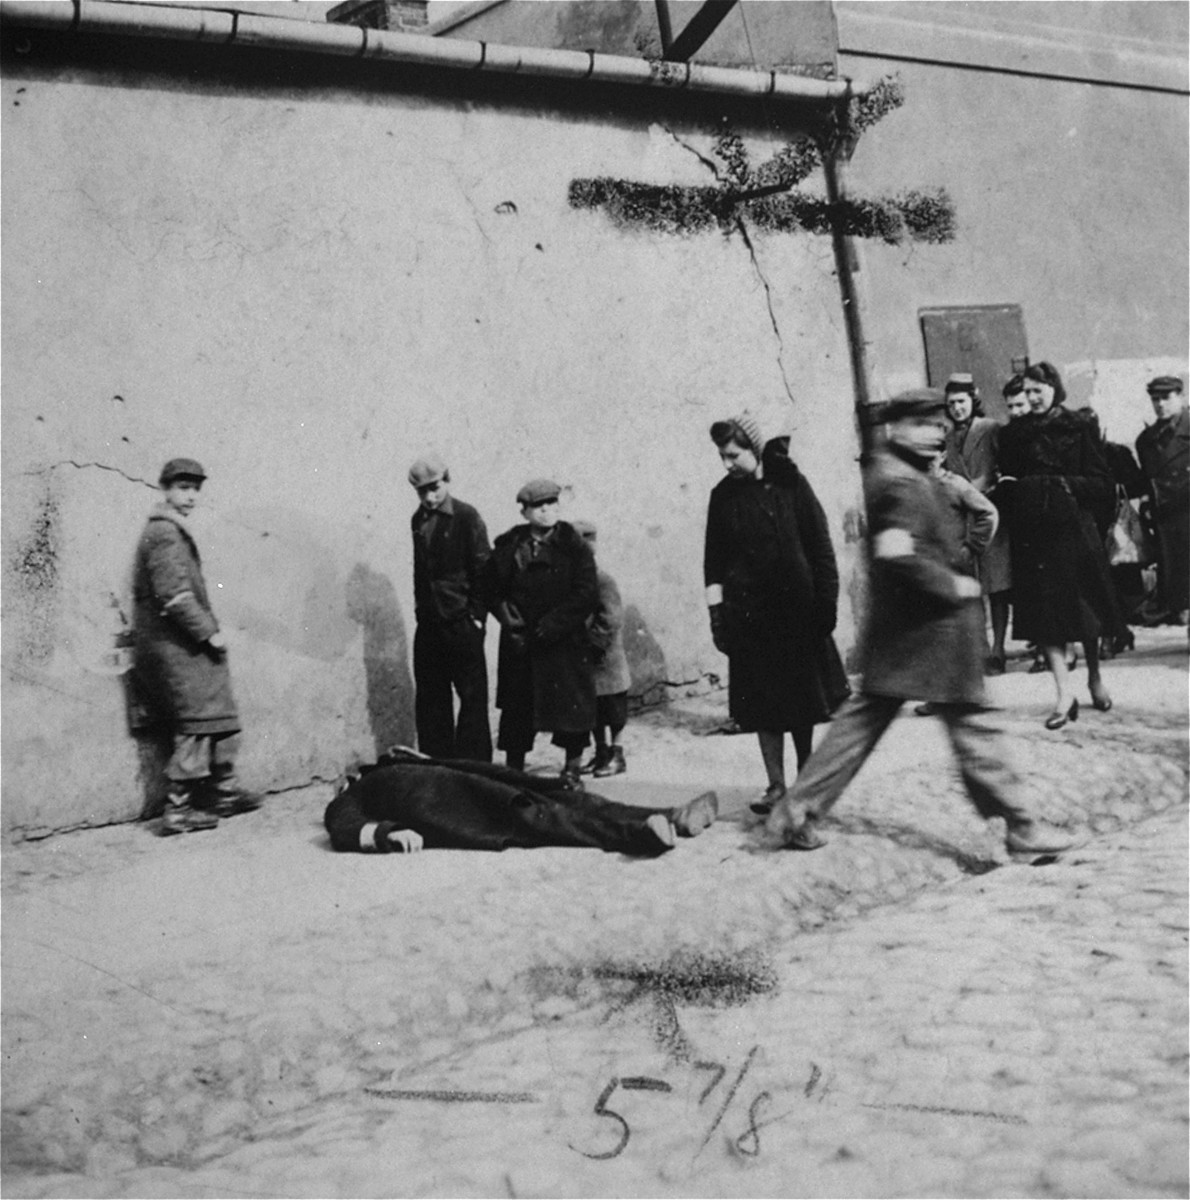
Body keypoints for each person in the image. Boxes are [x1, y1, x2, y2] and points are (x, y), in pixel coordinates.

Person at [765, 389, 1073, 859]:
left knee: (861, 726)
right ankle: (1022, 827)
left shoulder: (903, 472)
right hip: (929, 629)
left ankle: (796, 812)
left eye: (939, 426)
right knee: (972, 729)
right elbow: (898, 556)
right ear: (897, 427)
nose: (935, 434)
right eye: (925, 425)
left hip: (907, 634)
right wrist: (955, 587)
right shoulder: (898, 481)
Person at [704, 413, 850, 815]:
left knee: (801, 702)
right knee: (763, 706)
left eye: (733, 455)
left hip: (796, 613)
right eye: (722, 456)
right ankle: (775, 785)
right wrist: (717, 614)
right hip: (749, 617)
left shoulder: (791, 485)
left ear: (753, 449)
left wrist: (827, 604)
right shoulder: (722, 497)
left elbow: (821, 548)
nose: (727, 464)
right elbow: (712, 563)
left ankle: (805, 779)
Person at [129, 458, 260, 835]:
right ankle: (178, 810)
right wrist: (209, 633)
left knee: (217, 715)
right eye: (182, 488)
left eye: (195, 488)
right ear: (165, 490)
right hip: (175, 646)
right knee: (196, 722)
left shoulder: (171, 530)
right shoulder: (164, 533)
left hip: (182, 644)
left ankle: (224, 792)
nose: (190, 496)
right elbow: (173, 595)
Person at [998, 362, 1123, 727]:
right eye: (1029, 391)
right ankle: (1062, 693)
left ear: (1054, 389)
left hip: (1073, 533)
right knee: (1044, 616)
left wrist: (1065, 486)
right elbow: (1007, 478)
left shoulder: (1079, 426)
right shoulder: (1014, 435)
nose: (1033, 398)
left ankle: (1094, 677)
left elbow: (1102, 482)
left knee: (1084, 614)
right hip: (1033, 535)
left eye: (1040, 390)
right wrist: (1013, 492)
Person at [324, 747, 718, 855]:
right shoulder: (356, 794)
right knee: (561, 823)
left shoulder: (399, 764)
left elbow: (471, 765)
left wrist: (539, 781)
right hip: (474, 814)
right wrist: (387, 834)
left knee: (579, 804)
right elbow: (342, 826)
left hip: (489, 790)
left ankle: (673, 815)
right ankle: (642, 835)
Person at [484, 479, 598, 786]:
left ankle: (572, 768)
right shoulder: (509, 547)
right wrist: (508, 619)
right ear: (524, 512)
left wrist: (555, 624)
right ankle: (514, 771)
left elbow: (586, 593)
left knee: (571, 709)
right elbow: (490, 588)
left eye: (552, 505)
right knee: (517, 710)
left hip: (563, 642)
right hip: (521, 643)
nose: (546, 512)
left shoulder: (575, 548)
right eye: (538, 507)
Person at [408, 453, 493, 762]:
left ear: (447, 481)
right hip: (430, 624)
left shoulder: (466, 516)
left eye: (435, 488)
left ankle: (475, 769)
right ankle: (439, 767)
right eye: (422, 491)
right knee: (431, 699)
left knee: (472, 699)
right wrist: (421, 611)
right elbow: (421, 572)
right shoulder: (417, 520)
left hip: (461, 622)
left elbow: (484, 569)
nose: (430, 497)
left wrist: (477, 618)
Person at [914, 450, 998, 716]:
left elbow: (988, 513)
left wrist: (971, 547)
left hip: (956, 567)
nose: (927, 459)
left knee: (965, 630)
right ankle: (938, 696)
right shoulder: (912, 486)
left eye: (933, 454)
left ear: (943, 455)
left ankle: (974, 693)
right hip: (926, 568)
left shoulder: (955, 484)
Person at [943, 373, 1012, 674]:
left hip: (990, 514)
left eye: (962, 401)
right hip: (961, 520)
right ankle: (980, 648)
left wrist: (991, 483)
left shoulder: (991, 429)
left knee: (997, 586)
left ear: (973, 400)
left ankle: (998, 648)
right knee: (971, 586)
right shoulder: (944, 437)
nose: (958, 408)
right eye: (952, 404)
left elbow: (1005, 464)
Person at [572, 521, 631, 778]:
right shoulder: (575, 580)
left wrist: (594, 643)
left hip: (605, 658)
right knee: (593, 710)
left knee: (614, 711)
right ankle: (601, 752)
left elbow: (611, 618)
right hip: (586, 657)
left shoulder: (603, 580)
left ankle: (618, 754)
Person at [1135, 375, 1189, 626]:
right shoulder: (1146, 440)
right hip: (1166, 519)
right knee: (1177, 578)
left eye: (1166, 398)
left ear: (1182, 396)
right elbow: (1146, 479)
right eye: (1155, 399)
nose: (1160, 404)